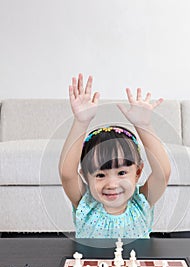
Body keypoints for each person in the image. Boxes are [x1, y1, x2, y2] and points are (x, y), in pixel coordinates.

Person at [59, 73, 171, 238]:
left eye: (121, 173)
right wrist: (81, 122)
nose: (111, 184)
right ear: (85, 176)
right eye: (100, 175)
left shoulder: (141, 202)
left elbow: (163, 173)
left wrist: (143, 125)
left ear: (138, 172)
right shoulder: (85, 203)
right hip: (92, 264)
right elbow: (67, 174)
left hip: (133, 264)